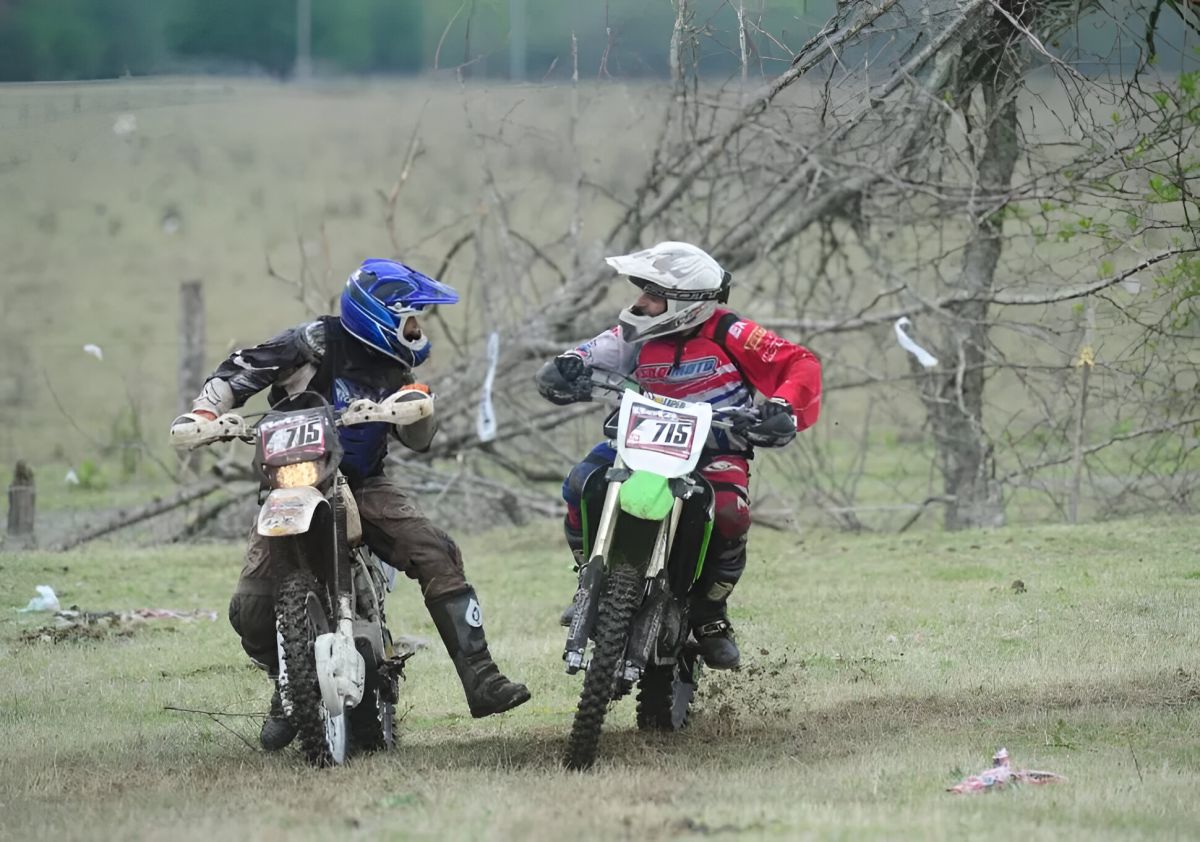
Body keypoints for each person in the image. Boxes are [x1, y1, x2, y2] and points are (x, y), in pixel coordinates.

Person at [172, 258, 530, 750]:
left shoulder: (398, 367)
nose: (417, 329)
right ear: (381, 314)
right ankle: (289, 687)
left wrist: (416, 405)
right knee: (250, 611)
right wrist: (207, 411)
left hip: (362, 482)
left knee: (433, 549)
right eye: (411, 318)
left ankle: (483, 679)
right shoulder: (312, 344)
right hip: (289, 485)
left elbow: (419, 438)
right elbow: (241, 369)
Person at [534, 242, 821, 670]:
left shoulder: (731, 332)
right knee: (581, 484)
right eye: (642, 291)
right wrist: (571, 363)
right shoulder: (638, 332)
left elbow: (798, 363)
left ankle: (709, 612)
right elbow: (602, 351)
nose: (640, 302)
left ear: (686, 303)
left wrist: (782, 406)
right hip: (640, 442)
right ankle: (587, 581)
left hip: (716, 447)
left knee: (729, 513)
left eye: (653, 295)